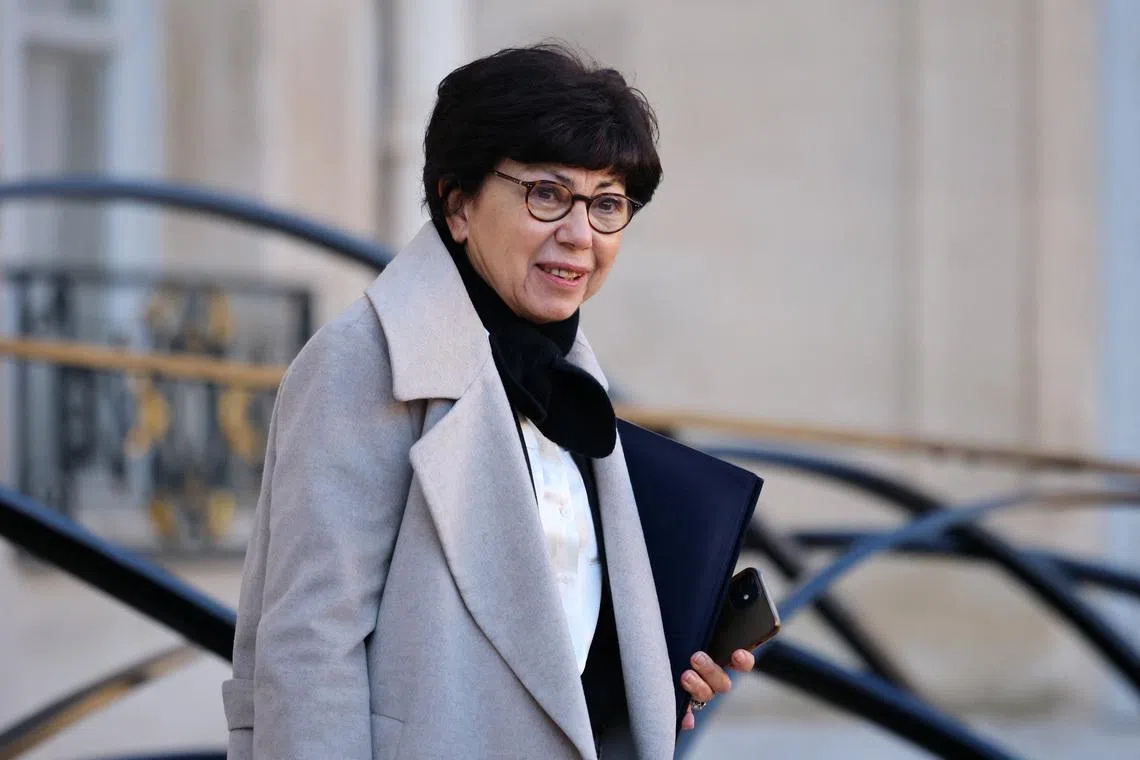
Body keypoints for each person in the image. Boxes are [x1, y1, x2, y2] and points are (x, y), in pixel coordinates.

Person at [222, 43, 755, 760]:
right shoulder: (365, 362)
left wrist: (648, 676)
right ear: (458, 203)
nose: (579, 235)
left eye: (606, 204)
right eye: (546, 194)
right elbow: (307, 656)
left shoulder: (570, 375)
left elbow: (545, 651)